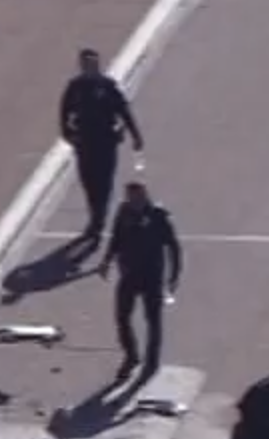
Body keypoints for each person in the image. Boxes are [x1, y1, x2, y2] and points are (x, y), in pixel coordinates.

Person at [100, 180, 182, 379]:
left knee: (153, 321)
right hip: (129, 274)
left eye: (137, 197)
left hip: (152, 276)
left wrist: (173, 276)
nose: (133, 201)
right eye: (130, 197)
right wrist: (106, 260)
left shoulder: (158, 217)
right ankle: (131, 355)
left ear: (145, 196)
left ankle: (152, 361)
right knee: (122, 316)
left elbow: (173, 247)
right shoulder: (124, 213)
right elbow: (116, 238)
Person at [60, 47, 143, 240]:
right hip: (85, 142)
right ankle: (96, 214)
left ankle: (98, 219)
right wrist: (67, 133)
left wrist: (135, 135)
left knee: (104, 182)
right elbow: (64, 111)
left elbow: (124, 111)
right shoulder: (75, 87)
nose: (90, 67)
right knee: (88, 181)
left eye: (93, 63)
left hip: (106, 141)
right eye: (86, 64)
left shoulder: (107, 87)